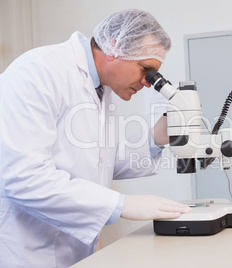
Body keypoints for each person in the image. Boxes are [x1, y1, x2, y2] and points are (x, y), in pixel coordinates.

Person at [0, 9, 191, 267]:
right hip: (28, 252)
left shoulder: (101, 87)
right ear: (114, 46)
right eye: (146, 69)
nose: (148, 83)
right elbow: (23, 177)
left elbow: (98, 163)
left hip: (76, 252)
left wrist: (155, 139)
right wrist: (121, 205)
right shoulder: (38, 72)